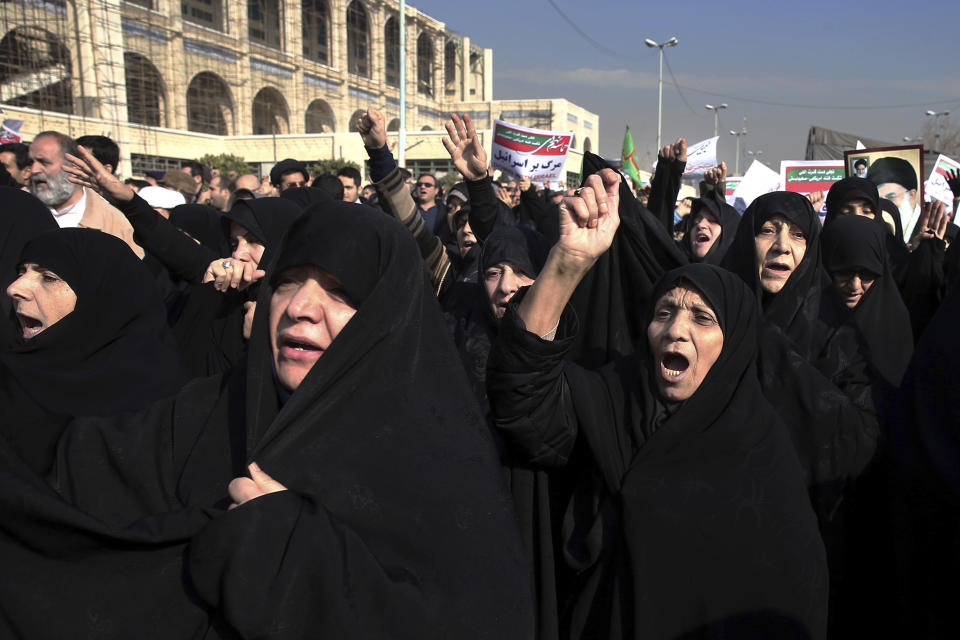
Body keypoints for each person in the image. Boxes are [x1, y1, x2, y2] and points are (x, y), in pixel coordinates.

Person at [0, 201, 534, 639]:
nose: (301, 306)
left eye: (340, 291)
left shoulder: (437, 458)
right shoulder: (201, 412)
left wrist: (290, 551)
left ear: (385, 319)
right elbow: (63, 482)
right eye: (288, 281)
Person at [486, 174, 828, 639]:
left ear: (732, 347)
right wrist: (566, 265)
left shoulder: (763, 454)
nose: (675, 330)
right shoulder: (612, 399)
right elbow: (521, 396)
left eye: (702, 318)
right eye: (664, 313)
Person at [720, 191, 879, 635]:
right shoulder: (709, 316)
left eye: (798, 236)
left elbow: (859, 438)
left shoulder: (839, 335)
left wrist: (767, 348)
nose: (781, 246)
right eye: (767, 230)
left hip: (803, 539)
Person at [0, 228, 188, 475]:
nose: (15, 288)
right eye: (22, 272)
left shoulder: (163, 410)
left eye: (48, 277)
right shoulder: (10, 378)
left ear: (101, 296)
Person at [821, 214, 912, 388]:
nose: (855, 286)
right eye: (844, 272)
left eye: (867, 275)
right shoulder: (804, 319)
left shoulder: (895, 323)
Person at [27, 132, 143, 257]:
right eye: (30, 162)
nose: (34, 170)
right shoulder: (18, 210)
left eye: (44, 162)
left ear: (74, 165)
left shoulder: (114, 222)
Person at [866, 156, 921, 239]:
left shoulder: (929, 225)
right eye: (879, 199)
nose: (885, 205)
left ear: (911, 195)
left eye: (891, 197)